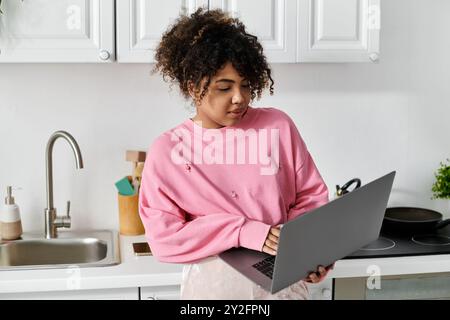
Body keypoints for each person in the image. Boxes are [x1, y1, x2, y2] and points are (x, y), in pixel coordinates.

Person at [139, 8, 333, 300]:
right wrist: (243, 230)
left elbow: (311, 198)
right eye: (224, 87)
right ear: (194, 87)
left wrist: (310, 252)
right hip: (215, 289)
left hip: (284, 286)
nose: (239, 97)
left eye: (245, 85)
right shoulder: (168, 151)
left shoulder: (277, 126)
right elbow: (165, 239)